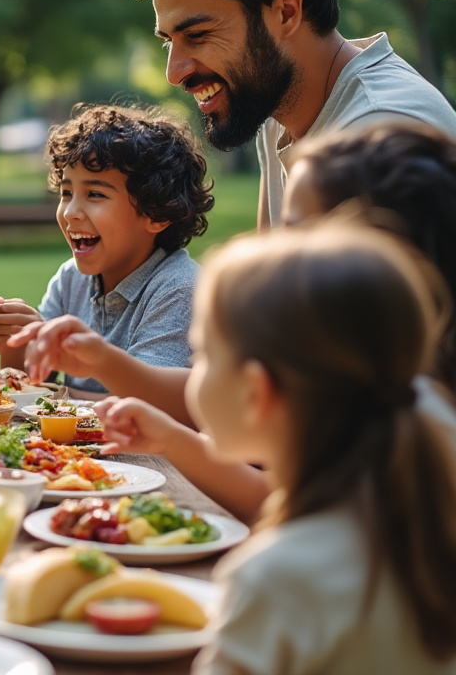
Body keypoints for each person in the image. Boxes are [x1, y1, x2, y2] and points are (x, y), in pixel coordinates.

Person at [99, 123, 456, 523]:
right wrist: (170, 439)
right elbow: (278, 502)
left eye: (298, 235)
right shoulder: (388, 392)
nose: (272, 250)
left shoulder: (392, 414)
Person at [180, 223, 456, 674]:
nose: (193, 368)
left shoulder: (276, 578)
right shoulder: (428, 524)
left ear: (255, 392)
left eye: (201, 353)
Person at [112, 0, 456, 230]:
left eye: (198, 35)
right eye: (169, 41)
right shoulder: (277, 104)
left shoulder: (379, 144)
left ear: (286, 12)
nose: (174, 73)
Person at [0, 105, 213, 400]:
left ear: (156, 214)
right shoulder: (70, 280)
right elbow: (33, 384)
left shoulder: (178, 287)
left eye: (95, 194)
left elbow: (147, 407)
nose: (70, 213)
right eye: (66, 193)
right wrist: (15, 347)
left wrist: (69, 391)